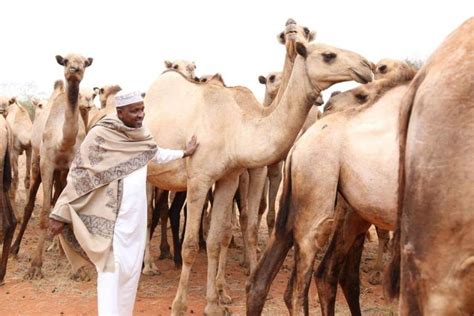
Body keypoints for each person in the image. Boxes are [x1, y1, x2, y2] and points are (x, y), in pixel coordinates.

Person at [48, 90, 198, 316]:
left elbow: (155, 154)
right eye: (134, 110)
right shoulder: (101, 134)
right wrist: (60, 212)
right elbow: (79, 172)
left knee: (130, 271)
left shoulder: (141, 135)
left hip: (136, 219)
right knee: (111, 270)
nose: (140, 115)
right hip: (111, 217)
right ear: (120, 112)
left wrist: (184, 153)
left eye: (142, 109)